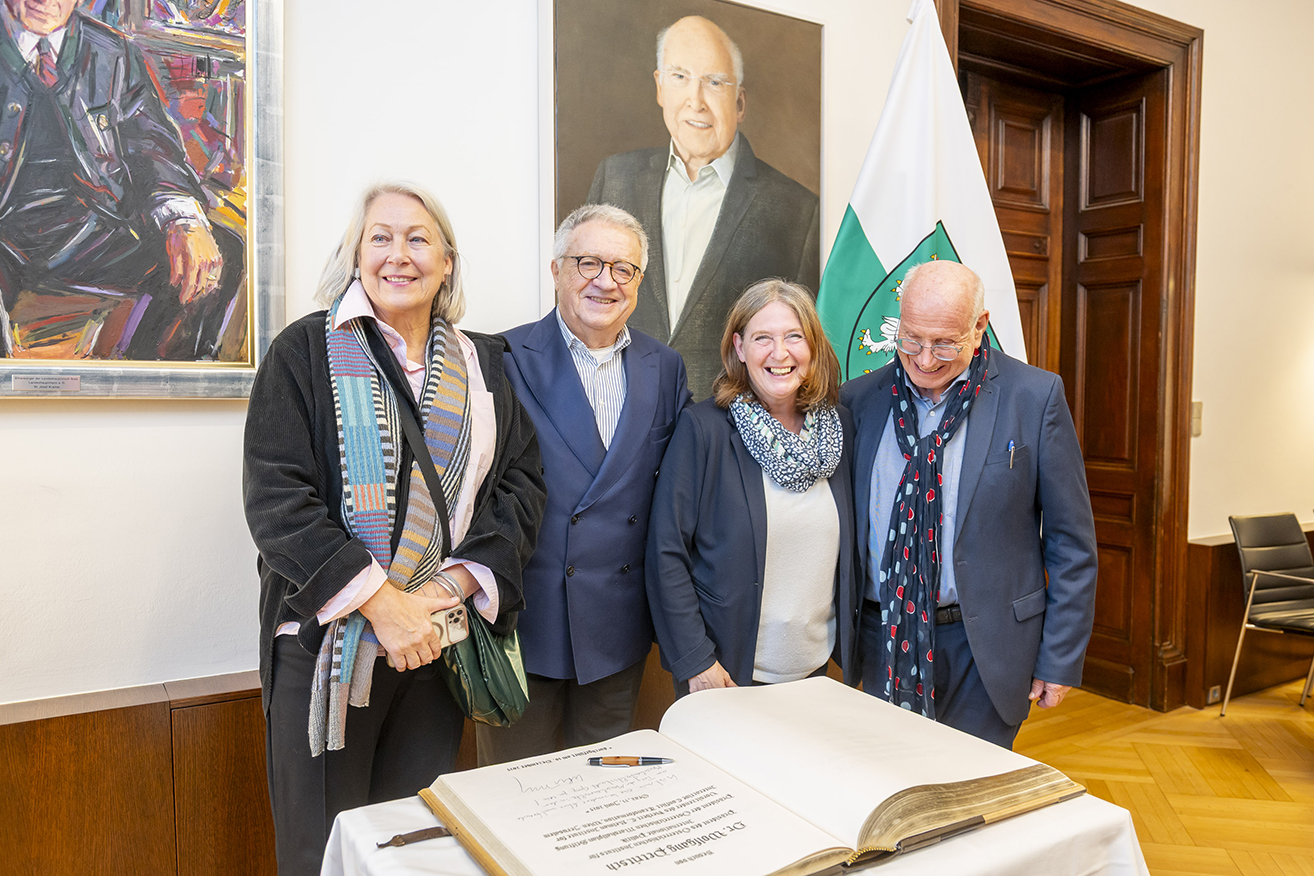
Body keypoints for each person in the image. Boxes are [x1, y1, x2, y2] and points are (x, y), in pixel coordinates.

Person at [243, 182, 546, 876]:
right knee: (323, 856)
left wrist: (448, 588)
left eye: (417, 239)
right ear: (356, 254)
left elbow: (521, 487)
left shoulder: (483, 364)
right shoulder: (303, 352)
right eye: (379, 237)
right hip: (330, 653)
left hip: (435, 649)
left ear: (447, 262)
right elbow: (277, 501)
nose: (397, 254)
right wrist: (384, 604)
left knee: (415, 852)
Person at [841, 260, 1097, 749]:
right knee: (885, 780)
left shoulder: (1034, 396)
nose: (925, 359)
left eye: (944, 343)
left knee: (973, 788)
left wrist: (1059, 658)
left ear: (979, 326)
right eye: (911, 340)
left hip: (986, 650)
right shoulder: (857, 400)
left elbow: (1071, 542)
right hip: (881, 640)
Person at [478, 204, 690, 765]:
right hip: (523, 627)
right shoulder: (499, 357)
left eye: (623, 269)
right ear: (556, 270)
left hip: (617, 631)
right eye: (588, 263)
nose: (606, 281)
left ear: (639, 282)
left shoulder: (666, 368)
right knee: (513, 794)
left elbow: (675, 496)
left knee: (603, 797)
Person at [587, 15, 820, 401]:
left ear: (739, 102)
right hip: (620, 411)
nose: (695, 101)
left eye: (714, 82)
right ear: (660, 87)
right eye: (680, 77)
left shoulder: (796, 210)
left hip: (730, 423)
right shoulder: (615, 177)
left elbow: (801, 343)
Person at [647, 279, 858, 695]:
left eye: (794, 336)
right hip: (726, 674)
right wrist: (696, 660)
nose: (780, 353)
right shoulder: (704, 430)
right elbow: (665, 551)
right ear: (739, 348)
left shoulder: (841, 429)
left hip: (816, 671)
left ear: (813, 347)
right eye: (763, 338)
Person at [0, 0, 240, 360]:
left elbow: (153, 146)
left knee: (222, 252)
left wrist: (182, 219)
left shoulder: (113, 52)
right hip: (6, 237)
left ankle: (143, 372)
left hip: (91, 229)